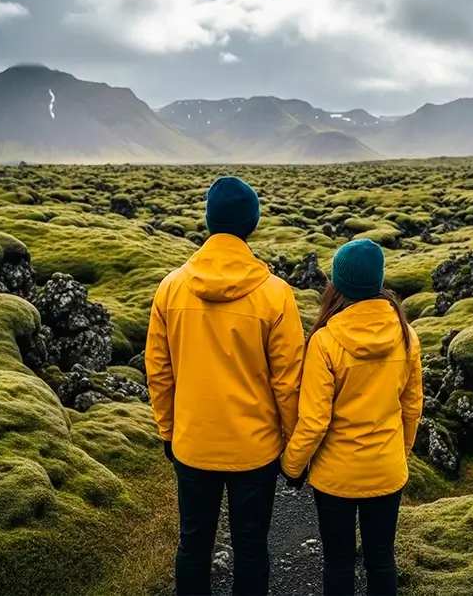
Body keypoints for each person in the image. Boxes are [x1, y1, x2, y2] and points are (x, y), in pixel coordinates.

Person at [145, 175, 306, 596]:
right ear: (251, 224)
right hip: (255, 450)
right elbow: (288, 381)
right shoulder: (276, 295)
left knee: (192, 544)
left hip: (193, 443)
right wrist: (293, 443)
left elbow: (159, 371)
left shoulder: (170, 287)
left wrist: (168, 429)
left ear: (208, 221)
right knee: (251, 547)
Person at [281, 239, 424, 596]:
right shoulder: (407, 336)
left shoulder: (325, 341)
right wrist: (399, 454)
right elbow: (412, 407)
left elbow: (314, 420)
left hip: (336, 477)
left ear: (337, 285)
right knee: (381, 559)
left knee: (338, 563)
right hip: (387, 469)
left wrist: (292, 466)